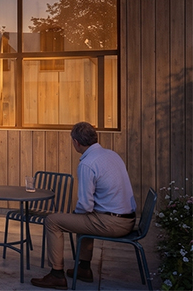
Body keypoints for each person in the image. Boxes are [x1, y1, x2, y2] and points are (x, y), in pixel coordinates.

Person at [31, 121, 136, 289]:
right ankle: (84, 269)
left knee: (53, 220)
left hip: (112, 223)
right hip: (128, 219)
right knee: (85, 217)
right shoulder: (112, 155)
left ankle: (57, 274)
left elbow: (85, 205)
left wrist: (74, 215)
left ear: (76, 142)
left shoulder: (87, 164)